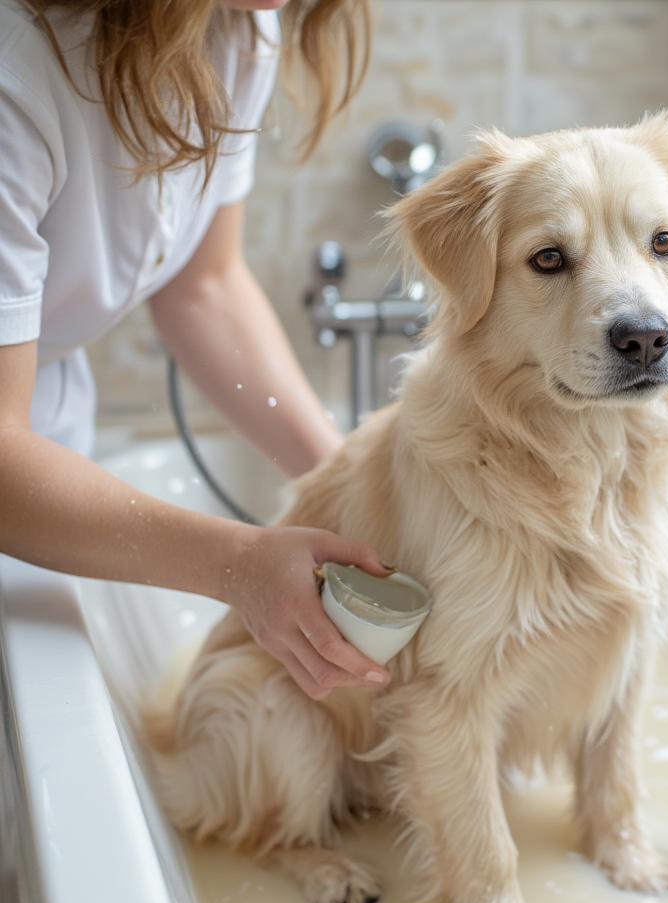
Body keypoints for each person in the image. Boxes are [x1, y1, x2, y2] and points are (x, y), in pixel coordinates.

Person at [0, 0, 394, 700]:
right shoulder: (16, 70)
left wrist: (347, 487)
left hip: (44, 445)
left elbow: (202, 286)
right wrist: (235, 565)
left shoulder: (238, 23)